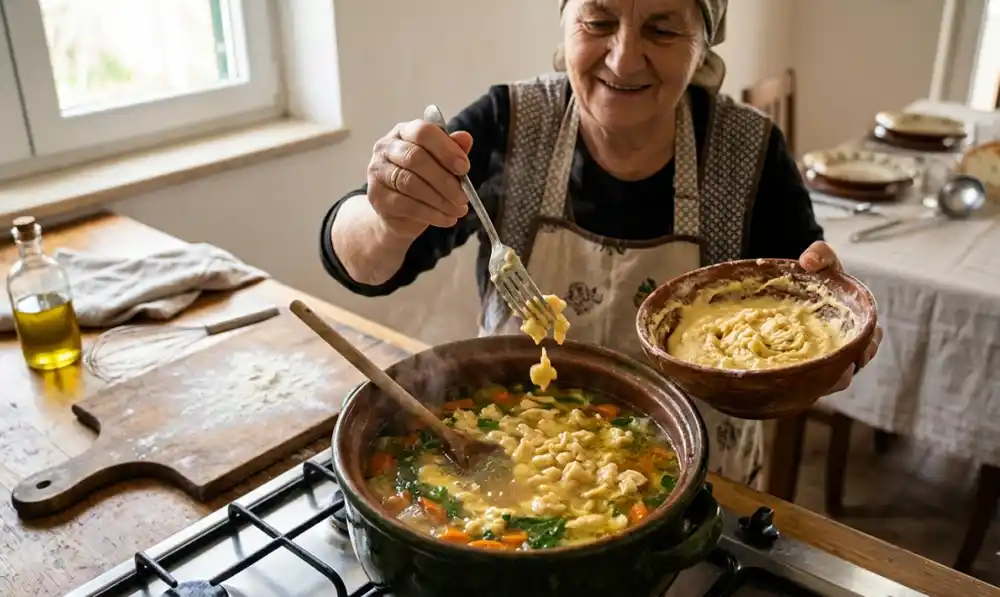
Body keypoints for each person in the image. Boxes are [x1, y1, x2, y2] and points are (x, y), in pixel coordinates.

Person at [320, 0, 882, 489]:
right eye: (597, 20)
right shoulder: (508, 124)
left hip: (702, 482)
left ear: (704, 45)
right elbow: (362, 266)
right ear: (564, 23)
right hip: (516, 465)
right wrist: (386, 215)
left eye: (662, 31)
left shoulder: (748, 150)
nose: (622, 58)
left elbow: (809, 304)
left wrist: (825, 354)